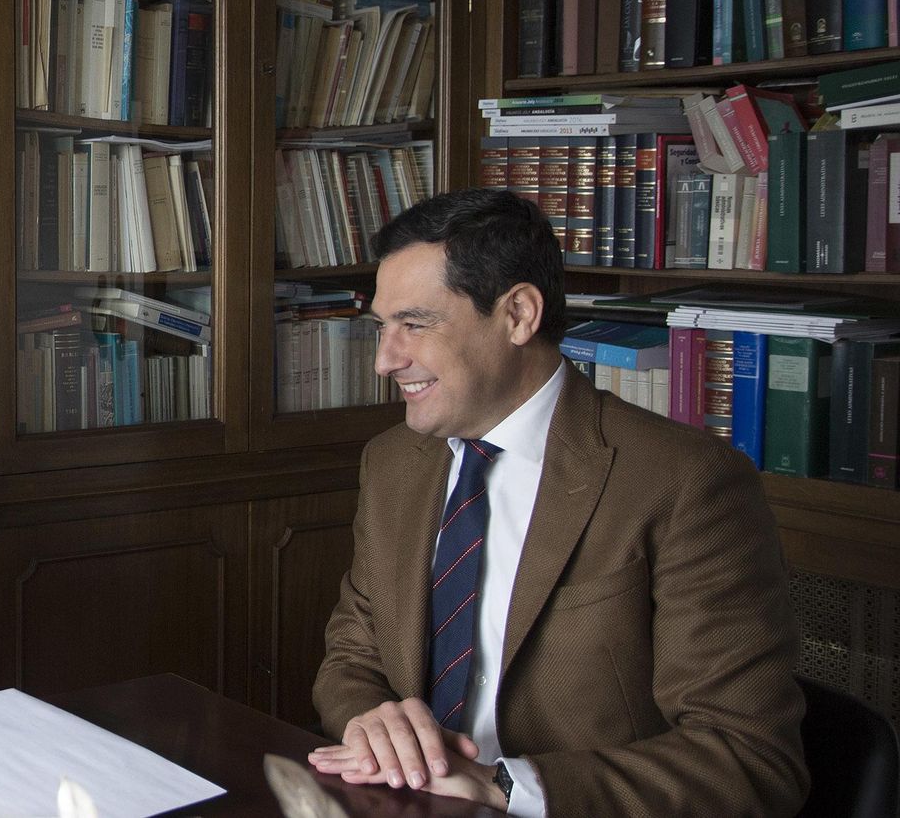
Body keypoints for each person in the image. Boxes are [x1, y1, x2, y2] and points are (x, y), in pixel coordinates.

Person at [309, 189, 807, 816]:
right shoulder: (393, 463)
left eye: (415, 323)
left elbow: (749, 759)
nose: (386, 359)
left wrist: (504, 785)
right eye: (382, 327)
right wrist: (374, 723)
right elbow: (353, 656)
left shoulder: (685, 482)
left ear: (518, 314)